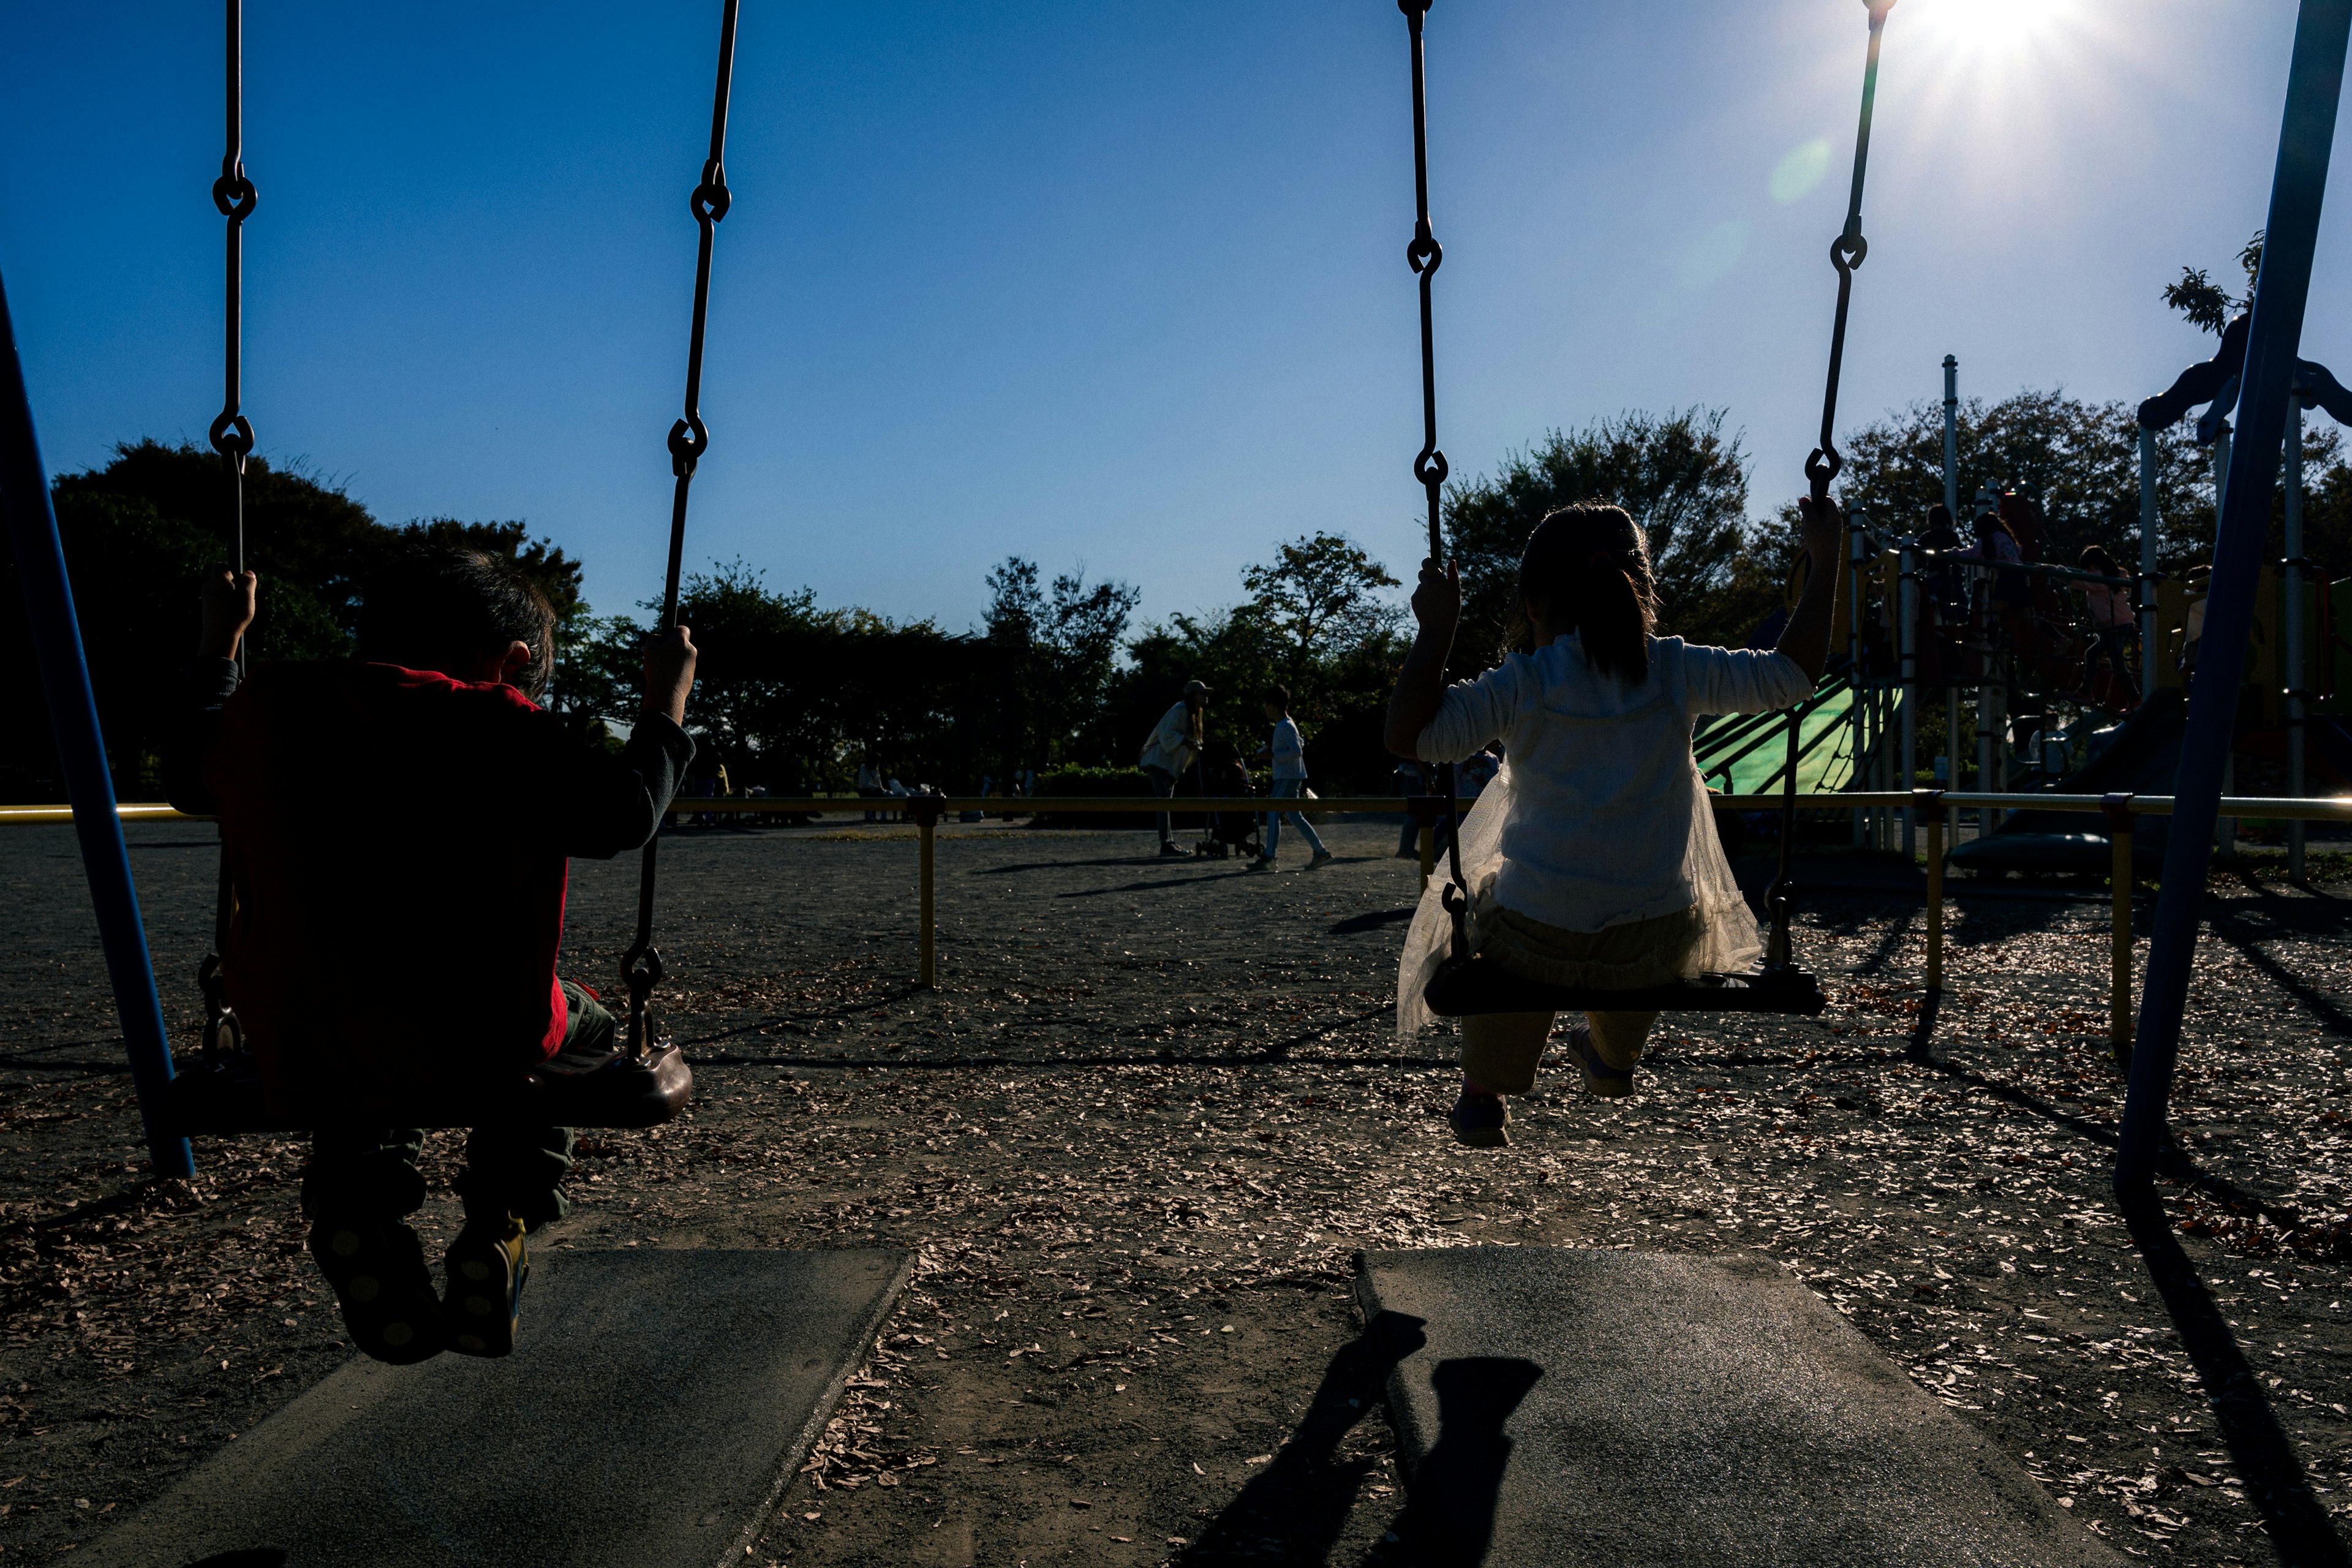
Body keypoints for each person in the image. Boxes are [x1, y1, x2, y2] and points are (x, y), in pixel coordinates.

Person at [164, 549, 697, 1363]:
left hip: (305, 1025)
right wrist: (666, 701)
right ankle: (501, 1221)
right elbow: (624, 816)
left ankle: (357, 1215)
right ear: (511, 663)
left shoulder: (274, 712)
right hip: (478, 1027)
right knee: (574, 1027)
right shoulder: (500, 724)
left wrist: (221, 640)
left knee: (357, 1048)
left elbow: (186, 769)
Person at [1387, 498, 1839, 1148]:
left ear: (1534, 604)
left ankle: (1485, 1090)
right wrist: (1826, 561)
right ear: (1643, 593)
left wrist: (1437, 630)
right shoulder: (1677, 669)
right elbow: (1793, 674)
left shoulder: (1526, 683)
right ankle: (1611, 1060)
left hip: (1534, 941)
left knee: (1498, 925)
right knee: (1650, 931)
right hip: (1648, 943)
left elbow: (1409, 736)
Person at [1249, 685, 1332, 871]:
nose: (1265, 708)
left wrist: (1270, 755)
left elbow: (1296, 751)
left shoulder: (1285, 726)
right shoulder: (1286, 724)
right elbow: (1296, 748)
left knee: (1272, 812)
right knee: (1295, 816)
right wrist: (1272, 753)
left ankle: (1270, 856)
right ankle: (1321, 851)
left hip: (1287, 776)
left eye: (1266, 704)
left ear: (1273, 705)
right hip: (1291, 776)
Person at [1139, 679, 1210, 856]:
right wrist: (1186, 742)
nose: (1206, 697)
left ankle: (1169, 841)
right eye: (1203, 694)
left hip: (1167, 764)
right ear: (1193, 696)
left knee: (1166, 804)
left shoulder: (1193, 714)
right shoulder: (1179, 711)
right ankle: (1166, 843)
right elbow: (1166, 734)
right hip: (1159, 762)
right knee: (1164, 804)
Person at [2077, 545, 2135, 698]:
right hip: (2117, 625)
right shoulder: (2111, 575)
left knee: (2117, 665)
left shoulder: (2098, 579)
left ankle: (2135, 698)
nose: (2085, 572)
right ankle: (2085, 691)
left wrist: (2051, 570)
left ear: (2094, 566)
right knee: (2092, 654)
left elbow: (2076, 581)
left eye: (2086, 568)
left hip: (2116, 626)